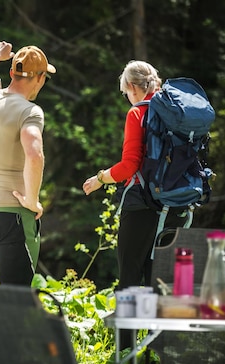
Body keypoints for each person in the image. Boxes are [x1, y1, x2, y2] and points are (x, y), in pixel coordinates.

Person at [82, 60, 184, 291]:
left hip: (142, 205)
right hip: (178, 204)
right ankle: (157, 329)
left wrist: (100, 178)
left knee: (129, 278)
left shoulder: (138, 112)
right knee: (158, 281)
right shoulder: (177, 112)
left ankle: (125, 329)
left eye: (125, 92)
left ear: (132, 86)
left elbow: (129, 166)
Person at [0, 41, 56, 286]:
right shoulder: (30, 111)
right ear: (39, 78)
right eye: (44, 78)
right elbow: (34, 153)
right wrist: (31, 199)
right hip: (15, 213)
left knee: (10, 289)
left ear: (11, 73)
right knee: (18, 294)